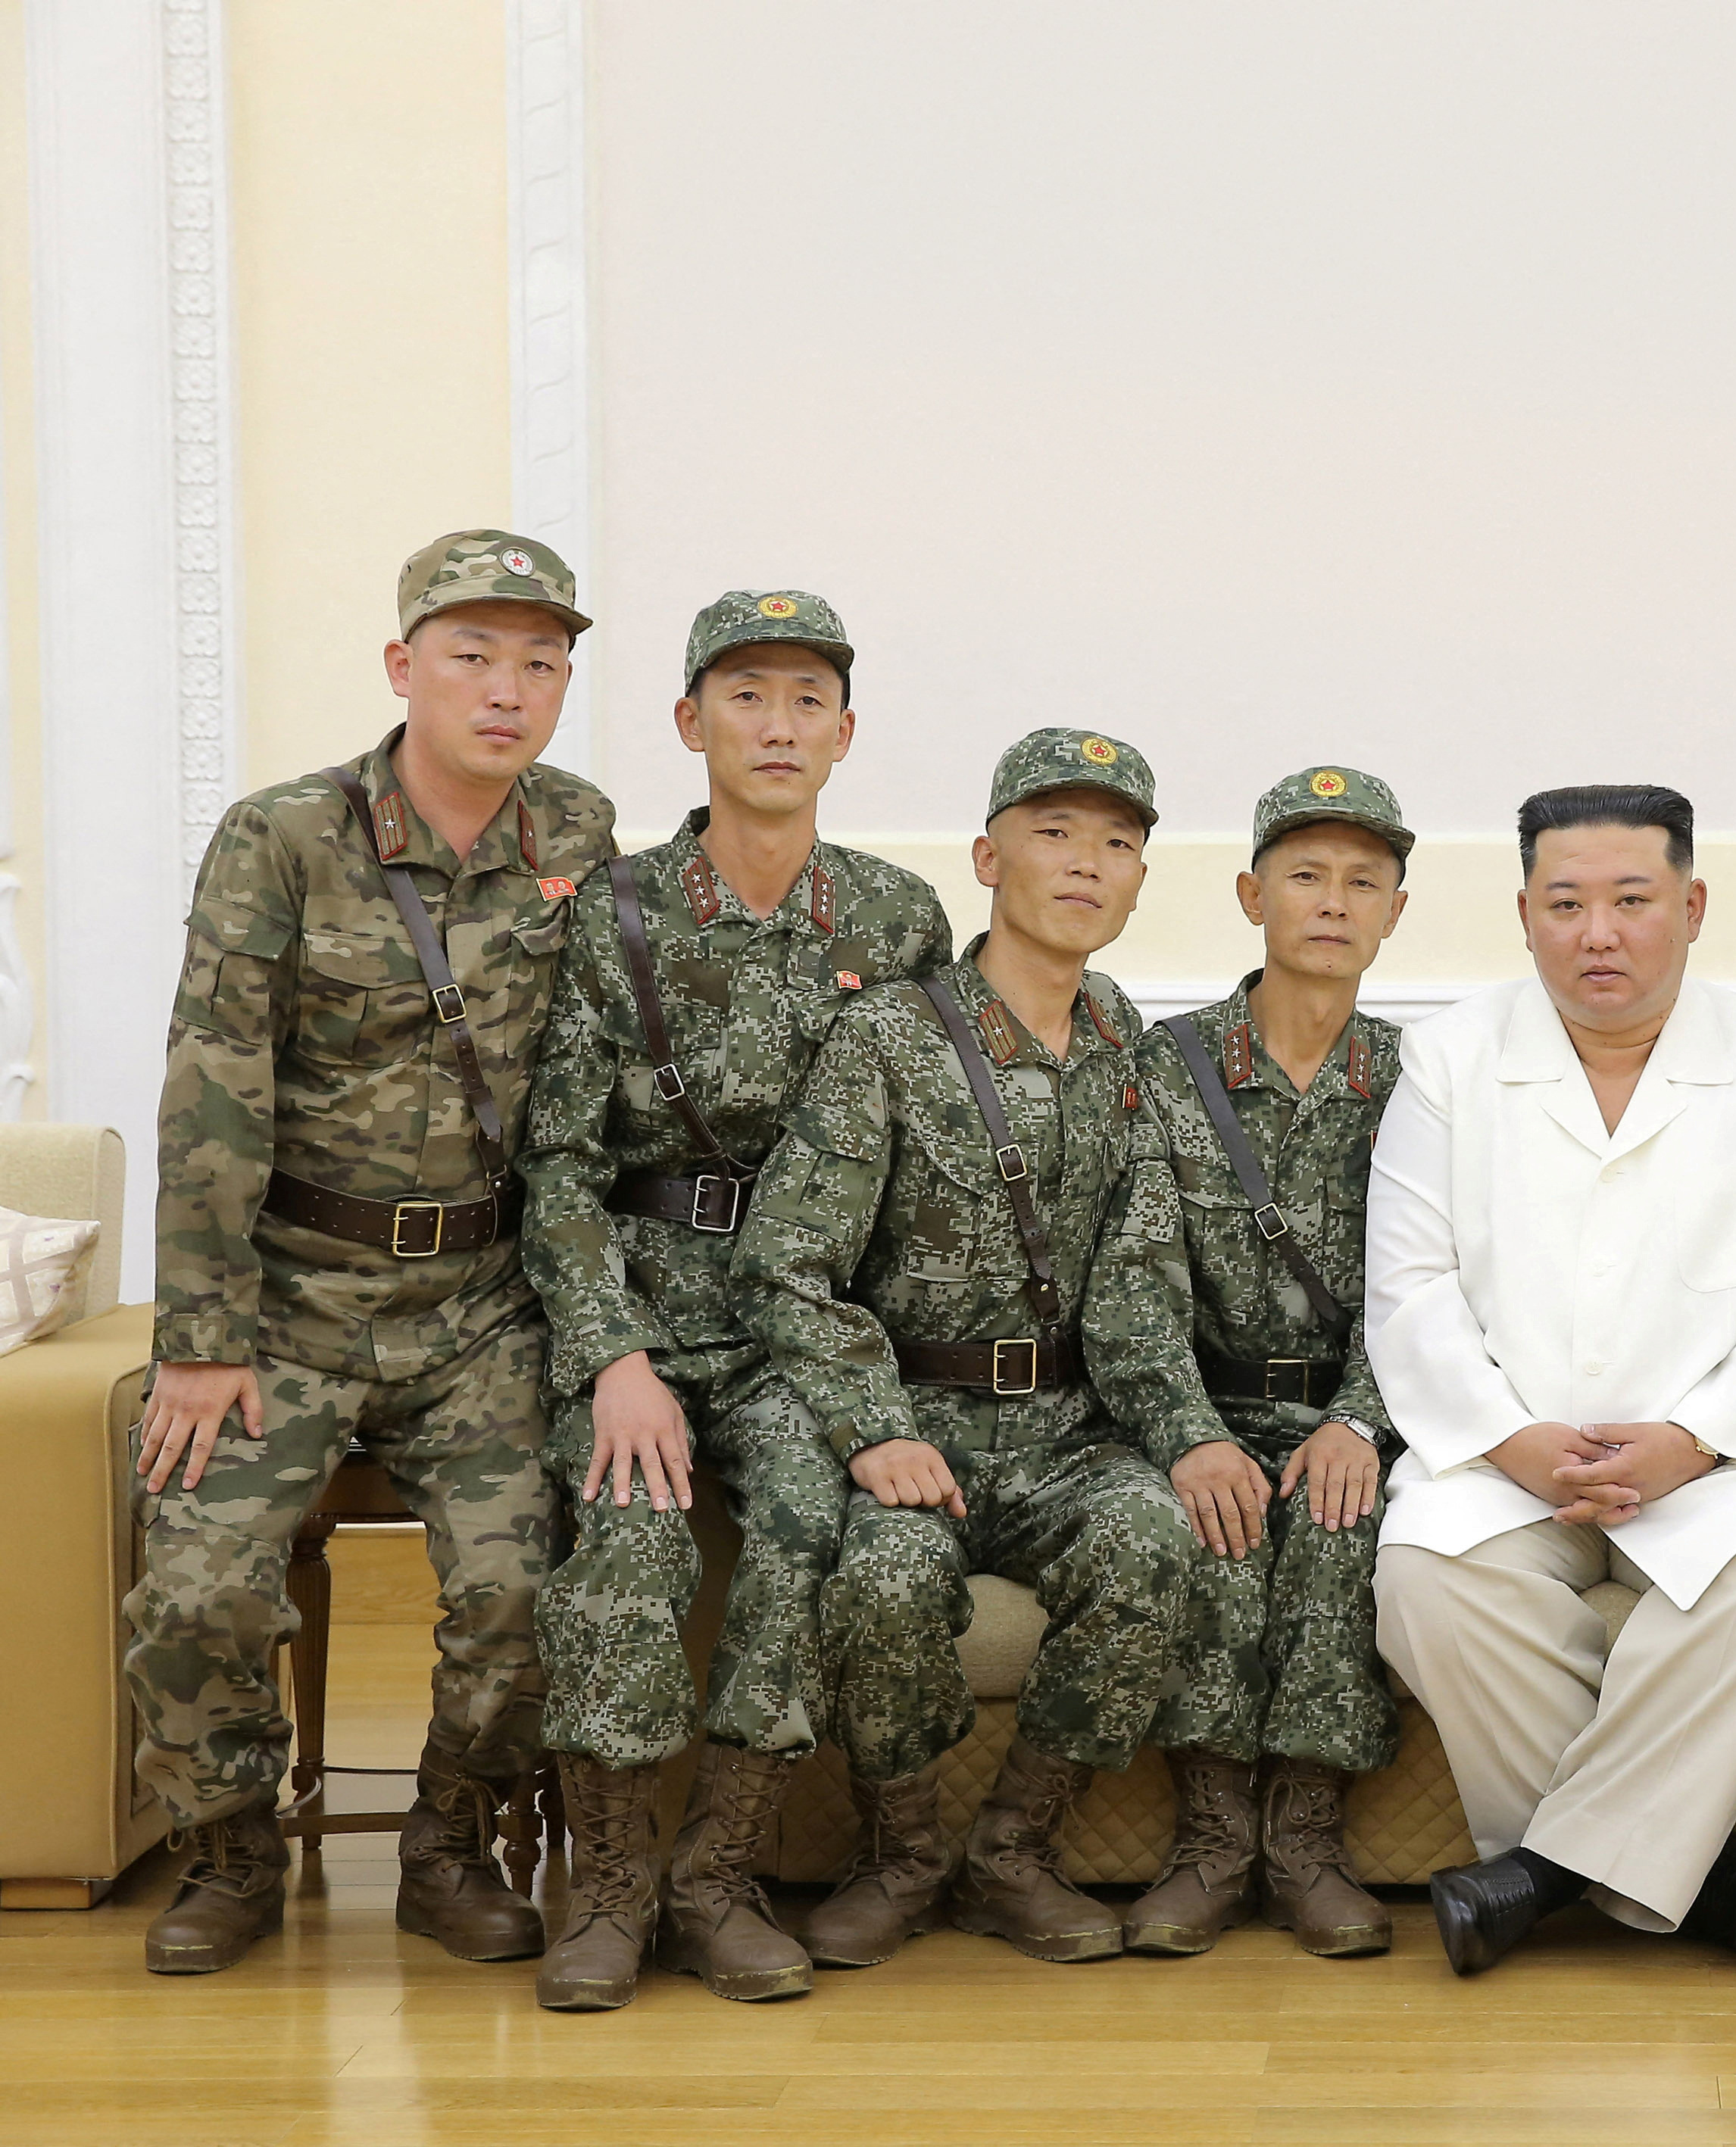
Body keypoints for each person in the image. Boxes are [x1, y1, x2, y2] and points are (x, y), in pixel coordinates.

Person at [129, 530, 614, 1974]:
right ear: (404, 668)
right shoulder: (282, 836)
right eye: (474, 655)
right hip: (290, 1303)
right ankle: (229, 1850)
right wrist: (203, 1341)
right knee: (198, 1586)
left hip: (485, 1302)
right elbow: (213, 1083)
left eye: (542, 662)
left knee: (528, 1594)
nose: (508, 690)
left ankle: (447, 1849)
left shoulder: (578, 833)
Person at [517, 590, 954, 2009]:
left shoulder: (897, 918)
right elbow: (562, 1164)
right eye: (746, 696)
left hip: (799, 1329)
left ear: (846, 733)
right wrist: (612, 1361)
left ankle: (717, 1876)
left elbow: (926, 1161)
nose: (777, 726)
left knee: (811, 1532)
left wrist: (871, 1382)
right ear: (690, 722)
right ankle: (611, 1893)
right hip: (641, 1308)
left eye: (807, 700)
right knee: (630, 1548)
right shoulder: (617, 912)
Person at [1366, 784, 1736, 1975]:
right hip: (1509, 1458)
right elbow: (1412, 1285)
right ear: (1524, 914)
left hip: (1710, 1465)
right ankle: (1693, 1877)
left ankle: (1538, 1878)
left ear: (1691, 908)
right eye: (1568, 903)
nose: (1600, 934)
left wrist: (1693, 1439)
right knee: (1426, 1578)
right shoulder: (1448, 1056)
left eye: (1633, 901)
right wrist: (1511, 1440)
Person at [733, 729, 1201, 1968]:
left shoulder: (1122, 1039)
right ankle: (904, 1857)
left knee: (1152, 1534)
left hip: (1063, 1433)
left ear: (1141, 880)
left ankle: (1011, 1854)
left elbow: (1140, 1286)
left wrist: (1188, 1441)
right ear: (989, 857)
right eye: (1055, 835)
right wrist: (872, 1426)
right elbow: (784, 1261)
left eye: (1118, 843)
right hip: (916, 1425)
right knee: (885, 1580)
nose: (1087, 865)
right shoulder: (891, 1036)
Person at [1087, 766, 1415, 1959]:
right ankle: (1213, 1838)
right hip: (1199, 1404)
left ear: (1395, 913)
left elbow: (1435, 1290)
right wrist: (1190, 1434)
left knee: (1339, 1524)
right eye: (1305, 877)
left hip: (1352, 1414)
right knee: (1217, 1521)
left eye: (1362, 882)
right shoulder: (1162, 1068)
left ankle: (1307, 1841)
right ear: (1250, 895)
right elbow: (1127, 1281)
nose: (1332, 902)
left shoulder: (1420, 1085)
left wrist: (1362, 1422)